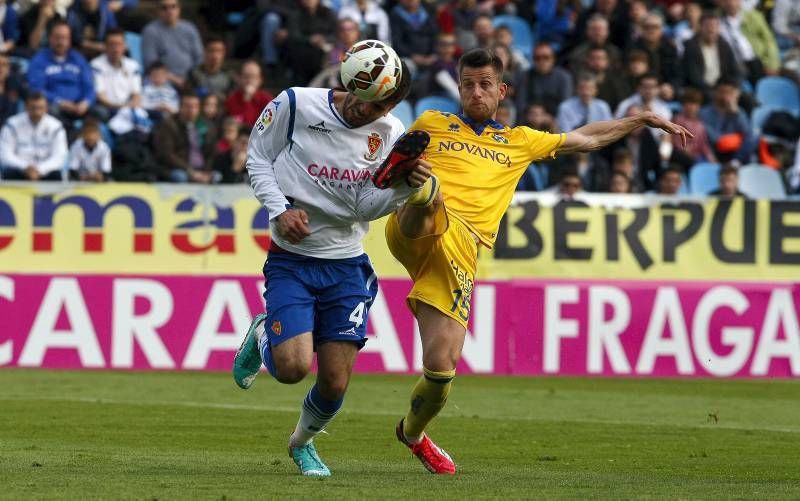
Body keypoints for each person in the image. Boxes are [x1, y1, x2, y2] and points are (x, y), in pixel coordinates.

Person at [382, 47, 690, 474]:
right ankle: (421, 190)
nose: (475, 91)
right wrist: (401, 172)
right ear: (458, 87)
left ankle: (412, 433)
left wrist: (639, 119)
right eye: (468, 83)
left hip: (459, 253)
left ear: (502, 90)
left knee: (441, 368)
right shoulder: (431, 124)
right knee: (427, 191)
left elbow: (587, 138)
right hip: (414, 227)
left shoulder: (519, 141)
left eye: (485, 84)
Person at [231, 56, 436, 477]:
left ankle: (302, 443)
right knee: (291, 369)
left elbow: (362, 205)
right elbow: (256, 159)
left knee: (335, 383)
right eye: (365, 100)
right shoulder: (296, 105)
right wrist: (280, 208)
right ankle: (261, 332)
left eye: (380, 107)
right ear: (352, 83)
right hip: (292, 259)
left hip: (346, 266)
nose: (368, 111)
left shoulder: (390, 135)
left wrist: (402, 192)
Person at [27, 20, 95, 128]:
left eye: (64, 38)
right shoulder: (39, 60)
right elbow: (37, 89)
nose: (61, 42)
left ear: (70, 40)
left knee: (101, 113)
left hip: (79, 107)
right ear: (50, 38)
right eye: (57, 37)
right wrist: (60, 102)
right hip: (55, 106)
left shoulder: (78, 59)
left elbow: (89, 86)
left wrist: (85, 102)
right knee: (52, 111)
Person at [0, 92, 68, 180]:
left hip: (45, 171)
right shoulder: (11, 125)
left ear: (46, 108)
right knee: (9, 173)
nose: (37, 112)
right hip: (19, 170)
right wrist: (25, 167)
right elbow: (5, 154)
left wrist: (40, 169)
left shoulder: (56, 126)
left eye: (40, 108)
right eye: (33, 108)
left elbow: (59, 156)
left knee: (56, 175)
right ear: (26, 107)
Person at [152, 92, 217, 183]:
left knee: (217, 176)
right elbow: (166, 154)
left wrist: (206, 172)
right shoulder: (169, 125)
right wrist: (190, 171)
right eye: (188, 106)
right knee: (180, 177)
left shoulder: (207, 126)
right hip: (178, 168)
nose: (191, 110)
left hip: (202, 169)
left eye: (195, 106)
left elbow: (211, 153)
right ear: (180, 108)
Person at [141, 0, 203, 88]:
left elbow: (199, 58)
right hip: (163, 81)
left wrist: (193, 77)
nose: (169, 11)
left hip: (190, 79)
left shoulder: (190, 28)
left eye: (173, 6)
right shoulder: (150, 31)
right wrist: (175, 79)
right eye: (164, 8)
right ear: (157, 11)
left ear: (179, 9)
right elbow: (151, 64)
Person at [91, 28, 141, 118]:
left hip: (128, 109)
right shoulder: (95, 65)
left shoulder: (133, 65)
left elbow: (136, 95)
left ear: (125, 46)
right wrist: (122, 107)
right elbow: (100, 97)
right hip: (108, 109)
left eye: (119, 44)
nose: (115, 48)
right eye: (112, 44)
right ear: (105, 46)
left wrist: (130, 106)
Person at [225, 60, 274, 127]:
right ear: (240, 78)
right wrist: (246, 101)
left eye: (253, 77)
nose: (249, 80)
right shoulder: (232, 99)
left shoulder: (268, 100)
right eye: (246, 77)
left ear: (260, 80)